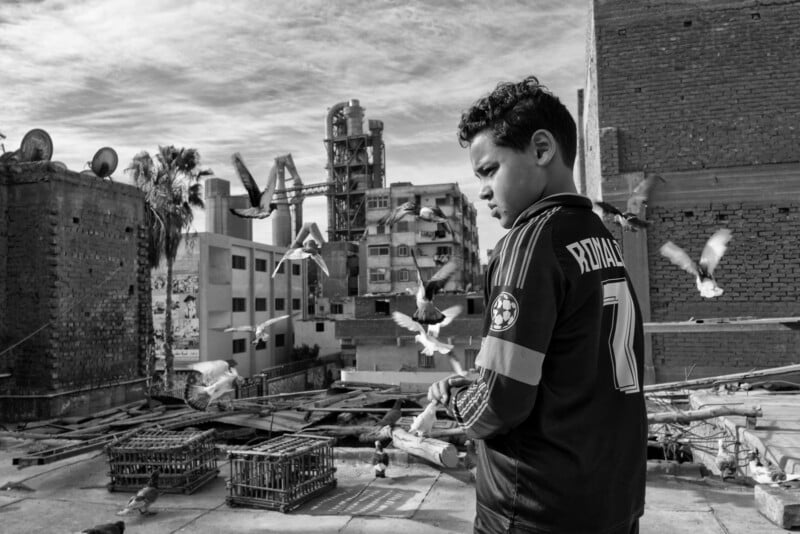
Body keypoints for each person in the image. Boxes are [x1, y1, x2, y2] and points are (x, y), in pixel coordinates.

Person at [428, 75, 647, 533]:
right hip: (613, 500)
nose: (482, 191)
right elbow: (568, 365)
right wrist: (485, 380)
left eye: (489, 170)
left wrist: (453, 402)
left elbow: (502, 401)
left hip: (534, 508)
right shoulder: (597, 236)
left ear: (541, 149)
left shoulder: (529, 243)